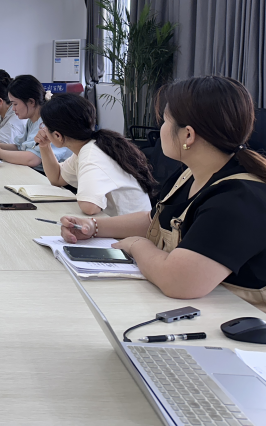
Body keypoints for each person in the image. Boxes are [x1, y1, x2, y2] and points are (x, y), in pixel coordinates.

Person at [61, 76, 266, 309]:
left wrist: (136, 245)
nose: (161, 130)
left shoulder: (237, 198)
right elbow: (155, 220)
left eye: (165, 121)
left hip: (241, 322)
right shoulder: (190, 175)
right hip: (200, 310)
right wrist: (93, 227)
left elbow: (178, 281)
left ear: (188, 135)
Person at [35, 93, 153, 216]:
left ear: (58, 135)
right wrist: (44, 146)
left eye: (45, 126)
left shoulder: (91, 154)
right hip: (123, 222)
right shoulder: (89, 146)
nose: (43, 129)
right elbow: (57, 178)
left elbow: (90, 207)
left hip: (129, 226)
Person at [0, 75, 71, 167]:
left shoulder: (47, 121)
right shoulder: (32, 120)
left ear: (31, 102)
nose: (13, 109)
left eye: (15, 104)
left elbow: (33, 159)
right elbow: (20, 147)